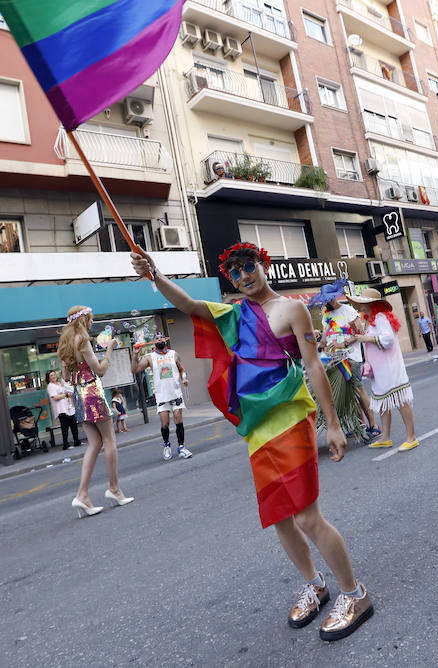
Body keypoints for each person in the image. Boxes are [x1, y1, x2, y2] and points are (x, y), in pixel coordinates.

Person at [130, 242, 373, 642]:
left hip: (291, 420)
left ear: (264, 265)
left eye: (249, 267)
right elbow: (190, 305)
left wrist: (332, 424)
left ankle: (355, 593)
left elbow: (313, 366)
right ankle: (316, 584)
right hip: (258, 431)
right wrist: (153, 275)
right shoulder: (237, 314)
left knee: (308, 517)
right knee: (280, 516)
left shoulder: (293, 309)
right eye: (235, 272)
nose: (243, 276)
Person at [58, 305, 133, 517]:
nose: (92, 323)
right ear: (83, 321)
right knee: (109, 440)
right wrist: (109, 350)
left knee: (94, 443)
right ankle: (114, 489)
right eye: (90, 320)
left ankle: (82, 495)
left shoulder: (65, 344)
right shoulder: (82, 341)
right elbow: (99, 370)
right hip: (92, 391)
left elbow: (65, 377)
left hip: (78, 395)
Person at [346, 288, 419, 453]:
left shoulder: (380, 318)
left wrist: (365, 338)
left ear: (371, 304)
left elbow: (388, 340)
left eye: (363, 303)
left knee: (400, 401)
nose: (361, 306)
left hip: (390, 369)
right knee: (384, 404)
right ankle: (385, 438)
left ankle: (411, 437)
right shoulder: (370, 319)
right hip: (380, 370)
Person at [309, 280, 380, 441]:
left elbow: (359, 332)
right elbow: (326, 338)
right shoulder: (326, 315)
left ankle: (374, 425)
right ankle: (359, 426)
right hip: (334, 360)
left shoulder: (348, 310)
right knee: (348, 395)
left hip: (351, 359)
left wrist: (343, 343)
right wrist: (317, 344)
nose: (327, 302)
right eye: (325, 300)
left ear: (335, 297)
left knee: (358, 391)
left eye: (330, 299)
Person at [131, 334, 192, 460]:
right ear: (153, 342)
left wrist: (184, 379)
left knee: (178, 419)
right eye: (157, 338)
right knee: (165, 423)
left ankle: (181, 447)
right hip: (162, 396)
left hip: (175, 393)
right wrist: (135, 355)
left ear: (166, 340)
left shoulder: (174, 354)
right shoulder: (150, 357)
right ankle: (166, 445)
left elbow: (182, 370)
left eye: (162, 338)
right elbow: (135, 369)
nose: (160, 340)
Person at [46, 369, 81, 450]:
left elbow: (66, 392)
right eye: (51, 375)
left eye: (54, 374)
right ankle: (65, 444)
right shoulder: (50, 386)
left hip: (68, 407)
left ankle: (77, 441)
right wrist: (65, 395)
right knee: (65, 427)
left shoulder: (59, 384)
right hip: (60, 409)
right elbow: (55, 397)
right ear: (48, 378)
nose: (54, 376)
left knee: (73, 425)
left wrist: (68, 396)